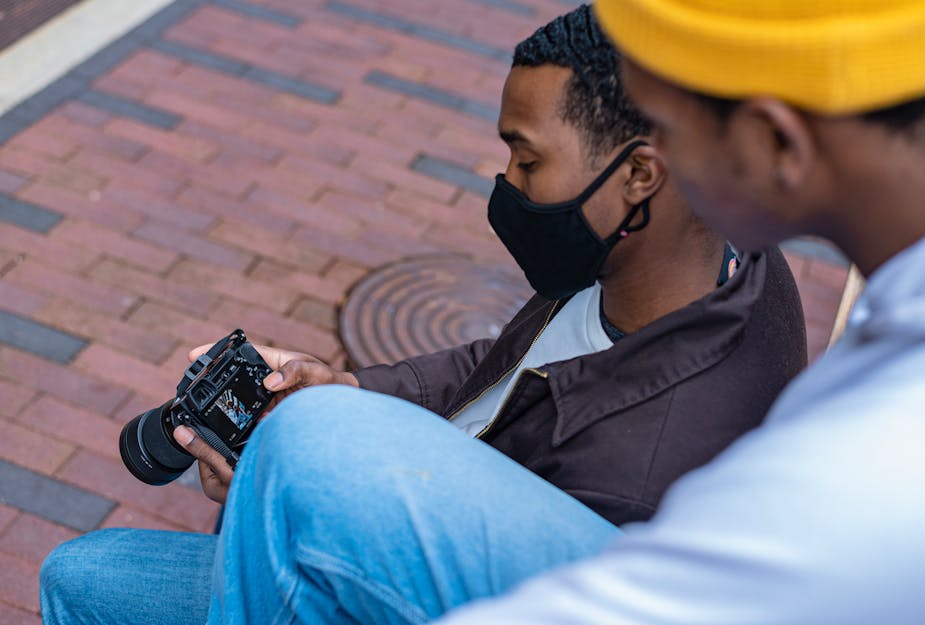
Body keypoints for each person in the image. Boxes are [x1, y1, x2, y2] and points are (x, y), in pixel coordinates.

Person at [38, 5, 810, 625]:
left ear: (639, 172)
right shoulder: (684, 254)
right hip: (421, 511)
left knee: (88, 582)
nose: (506, 182)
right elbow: (499, 376)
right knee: (89, 567)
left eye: (529, 161)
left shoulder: (638, 479)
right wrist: (349, 391)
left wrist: (308, 480)